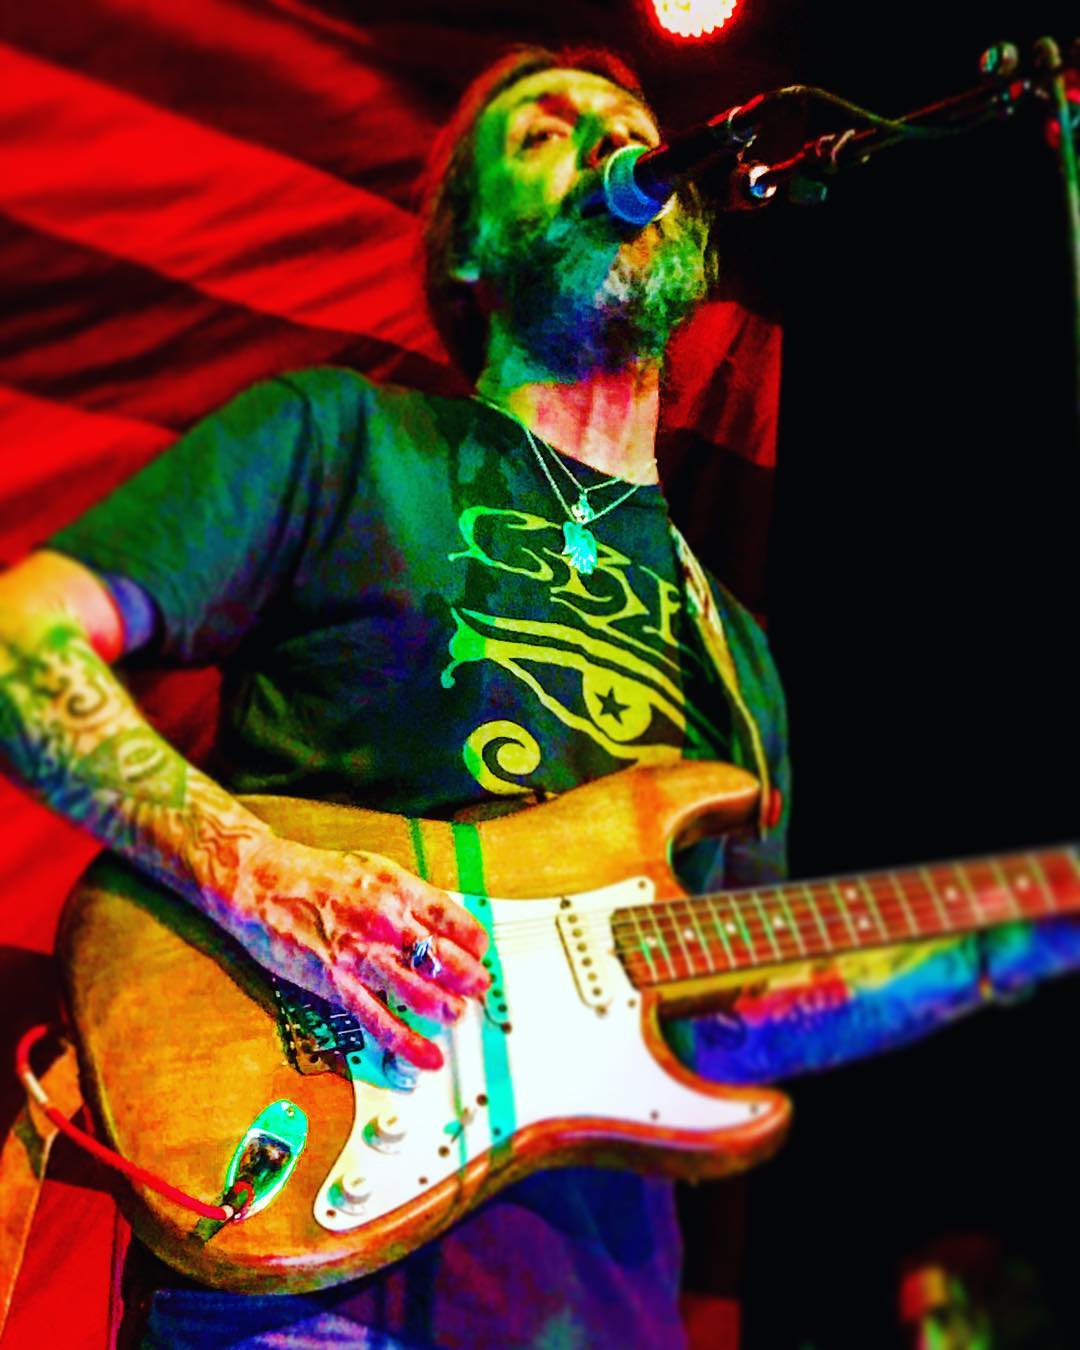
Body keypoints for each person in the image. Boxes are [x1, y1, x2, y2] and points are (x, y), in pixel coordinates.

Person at [0, 45, 789, 1348]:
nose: (608, 143)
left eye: (628, 124)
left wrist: (984, 948)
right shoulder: (341, 440)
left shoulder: (737, 653)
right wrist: (260, 879)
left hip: (594, 1308)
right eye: (545, 132)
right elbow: (24, 641)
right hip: (299, 1284)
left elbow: (750, 1015)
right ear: (467, 247)